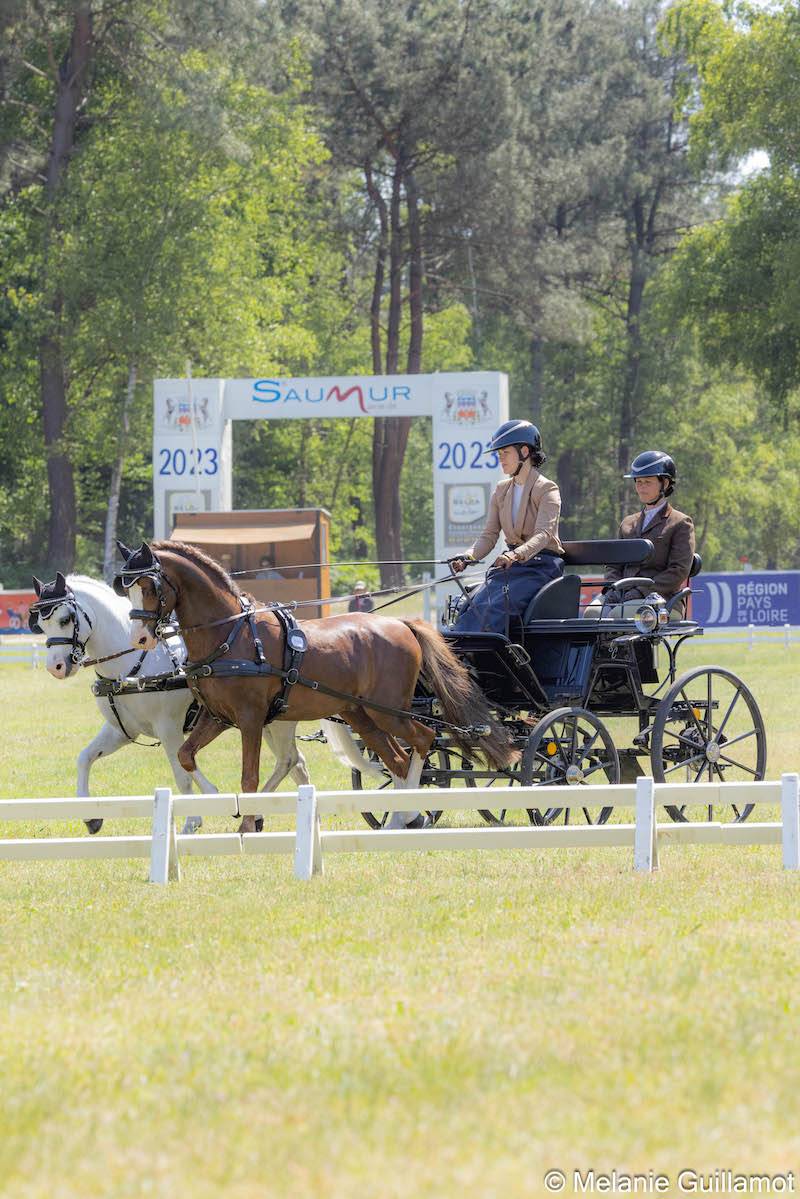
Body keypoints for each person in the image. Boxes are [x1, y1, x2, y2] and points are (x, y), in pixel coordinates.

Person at [449, 419, 564, 634]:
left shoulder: (547, 489)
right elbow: (489, 535)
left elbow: (544, 534)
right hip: (510, 569)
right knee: (469, 607)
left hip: (540, 567)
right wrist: (468, 557)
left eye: (505, 452)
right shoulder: (501, 490)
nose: (500, 458)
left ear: (524, 451)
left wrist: (515, 555)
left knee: (494, 609)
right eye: (498, 453)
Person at [585, 450, 695, 619]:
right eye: (638, 482)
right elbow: (613, 565)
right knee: (591, 614)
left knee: (617, 616)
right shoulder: (627, 523)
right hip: (622, 594)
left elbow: (678, 570)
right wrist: (614, 588)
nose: (641, 487)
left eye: (648, 482)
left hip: (661, 598)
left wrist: (641, 591)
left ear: (664, 483)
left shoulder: (680, 523)